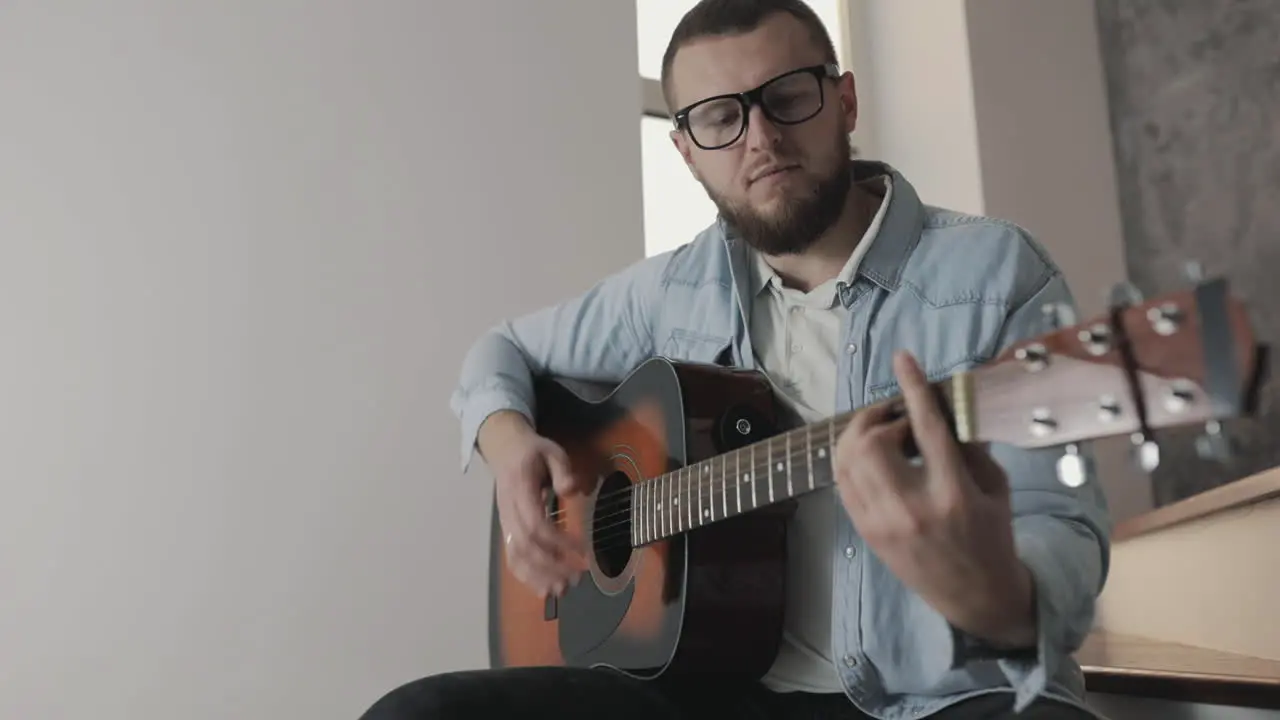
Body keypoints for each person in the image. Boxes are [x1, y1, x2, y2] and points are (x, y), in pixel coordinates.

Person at [360, 0, 1111, 718]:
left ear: (844, 101)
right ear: (687, 151)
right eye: (721, 117)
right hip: (715, 690)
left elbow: (1061, 529)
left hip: (949, 697)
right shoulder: (672, 289)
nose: (760, 138)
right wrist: (509, 445)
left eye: (787, 96)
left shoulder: (992, 272)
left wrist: (1001, 600)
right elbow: (502, 351)